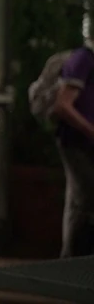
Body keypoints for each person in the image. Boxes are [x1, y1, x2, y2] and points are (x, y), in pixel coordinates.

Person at [52, 39, 94, 258]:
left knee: (79, 200)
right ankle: (70, 261)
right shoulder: (83, 59)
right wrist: (91, 131)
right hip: (75, 143)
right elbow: (63, 105)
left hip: (84, 143)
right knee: (82, 201)